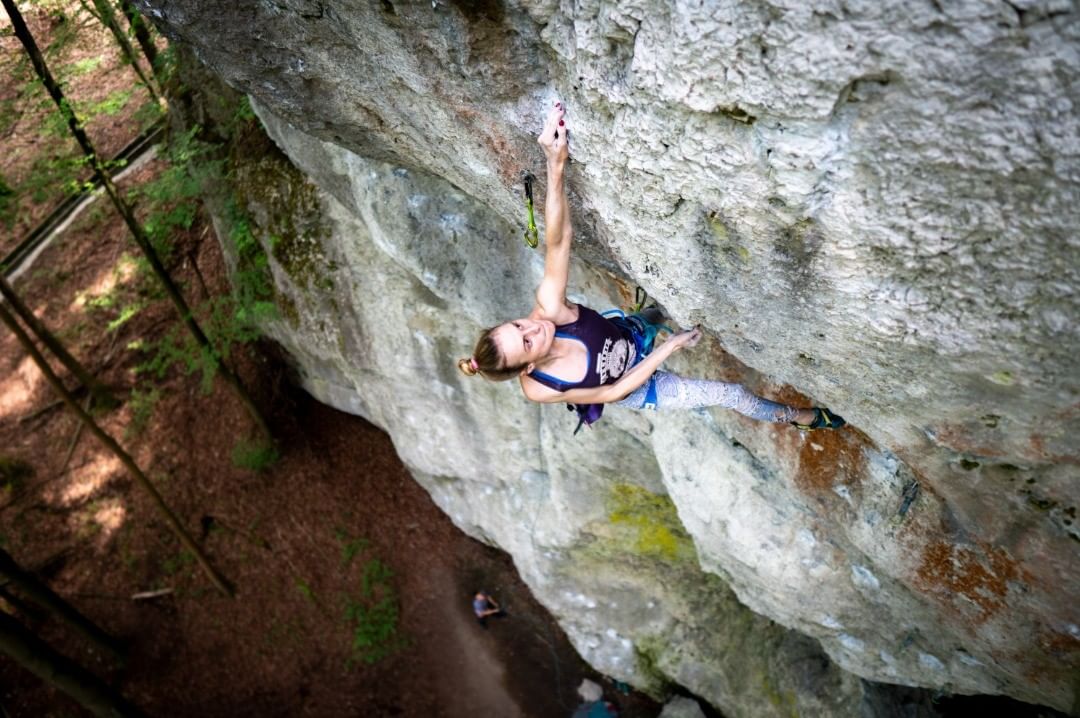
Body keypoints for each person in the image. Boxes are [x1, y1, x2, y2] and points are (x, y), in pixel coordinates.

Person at [457, 101, 845, 433]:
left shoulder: (550, 310)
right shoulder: (540, 387)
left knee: (662, 310)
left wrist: (554, 165)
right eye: (526, 343)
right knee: (732, 395)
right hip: (639, 387)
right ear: (527, 367)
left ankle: (654, 320)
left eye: (517, 325)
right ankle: (802, 417)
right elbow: (610, 392)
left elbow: (558, 241)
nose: (532, 328)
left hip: (630, 331)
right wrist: (672, 347)